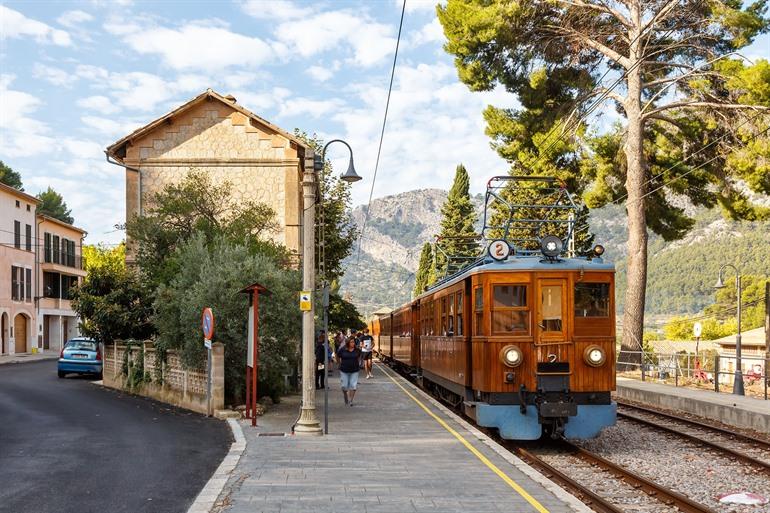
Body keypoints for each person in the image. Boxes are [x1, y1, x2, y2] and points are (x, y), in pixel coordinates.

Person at [335, 336, 361, 406]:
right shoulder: (342, 349)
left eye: (354, 342)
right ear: (348, 343)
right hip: (344, 370)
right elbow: (337, 355)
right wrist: (338, 363)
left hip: (354, 370)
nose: (353, 343)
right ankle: (345, 395)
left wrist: (358, 364)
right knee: (344, 386)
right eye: (351, 342)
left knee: (353, 386)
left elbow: (358, 357)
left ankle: (351, 400)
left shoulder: (357, 350)